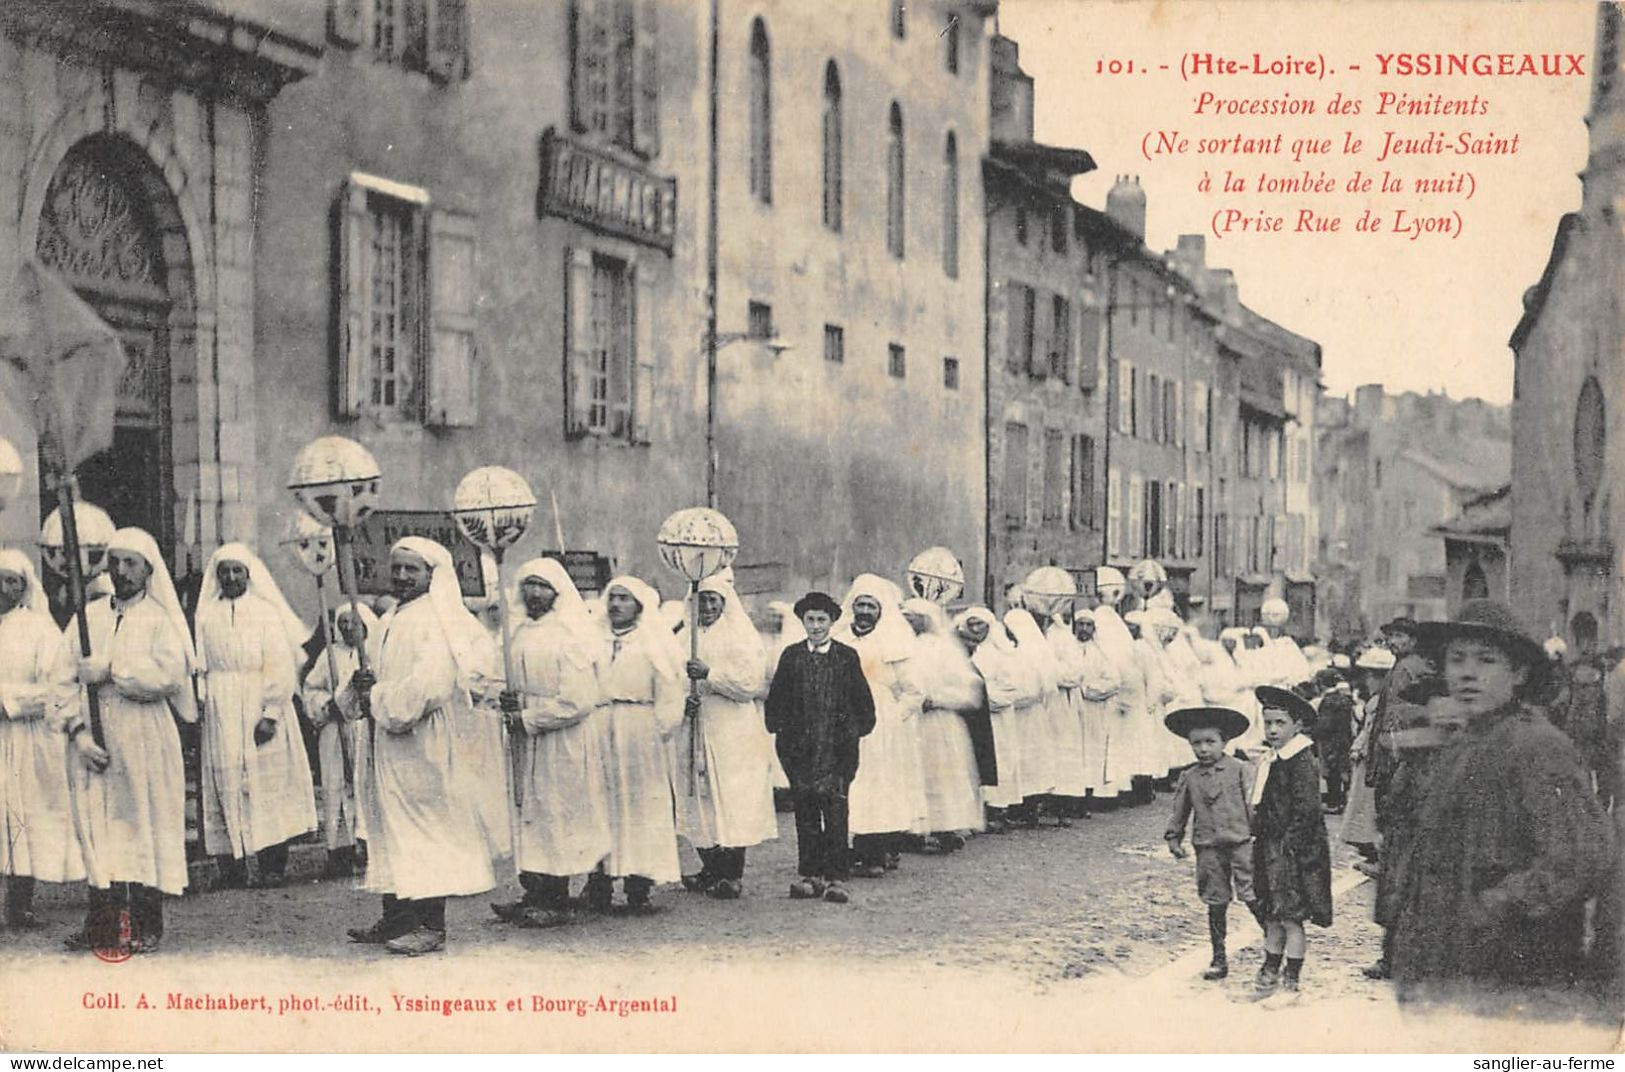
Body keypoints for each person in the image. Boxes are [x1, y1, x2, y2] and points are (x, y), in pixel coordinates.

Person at [1393, 600, 1615, 1003]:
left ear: (1519, 673)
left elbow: (1582, 855)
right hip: (1451, 972)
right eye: (1456, 659)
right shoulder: (1463, 744)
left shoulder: (1537, 746)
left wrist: (1492, 907)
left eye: (1486, 660)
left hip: (1515, 977)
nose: (1467, 672)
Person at [342, 537, 502, 955]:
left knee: (424, 829)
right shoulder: (391, 618)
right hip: (387, 741)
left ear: (433, 575)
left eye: (411, 569)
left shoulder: (440, 622)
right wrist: (356, 692)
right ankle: (395, 917)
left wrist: (378, 698)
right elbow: (365, 672)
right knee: (389, 825)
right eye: (396, 568)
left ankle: (430, 924)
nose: (401, 576)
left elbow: (429, 687)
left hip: (422, 740)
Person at [60, 528, 196, 955]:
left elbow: (167, 676)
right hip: (94, 744)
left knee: (142, 823)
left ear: (148, 569)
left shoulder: (160, 620)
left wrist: (113, 669)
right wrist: (77, 733)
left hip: (143, 737)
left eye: (130, 563)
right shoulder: (89, 617)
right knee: (100, 827)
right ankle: (101, 923)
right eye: (114, 562)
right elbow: (59, 680)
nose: (120, 571)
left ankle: (144, 922)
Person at [487, 558, 611, 928]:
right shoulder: (516, 632)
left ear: (557, 592)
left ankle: (556, 896)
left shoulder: (571, 635)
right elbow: (497, 677)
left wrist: (528, 718)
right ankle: (533, 889)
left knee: (556, 814)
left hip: (561, 740)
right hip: (524, 738)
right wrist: (503, 698)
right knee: (528, 814)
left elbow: (578, 700)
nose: (534, 593)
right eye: (529, 585)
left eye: (542, 586)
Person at [193, 544, 318, 889]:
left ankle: (272, 865)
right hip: (221, 707)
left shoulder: (265, 613)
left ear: (250, 574)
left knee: (268, 782)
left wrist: (272, 712)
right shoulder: (206, 616)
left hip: (259, 701)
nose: (231, 578)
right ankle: (230, 867)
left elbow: (280, 664)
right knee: (224, 781)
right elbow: (200, 665)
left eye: (237, 571)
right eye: (224, 572)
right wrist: (203, 701)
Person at [764, 591, 875, 904]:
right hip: (800, 751)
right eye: (810, 620)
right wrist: (782, 734)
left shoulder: (846, 656)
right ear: (802, 621)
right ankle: (810, 875)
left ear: (832, 622)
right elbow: (776, 702)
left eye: (821, 620)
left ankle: (837, 877)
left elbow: (863, 704)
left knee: (836, 810)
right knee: (806, 811)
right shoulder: (791, 656)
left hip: (837, 750)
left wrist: (852, 733)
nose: (815, 626)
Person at [674, 571, 779, 899]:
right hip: (696, 722)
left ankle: (731, 873)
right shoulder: (684, 636)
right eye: (700, 599)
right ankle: (710, 867)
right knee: (697, 797)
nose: (706, 606)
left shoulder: (740, 635)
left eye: (712, 600)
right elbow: (669, 676)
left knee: (732, 798)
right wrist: (683, 698)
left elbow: (748, 684)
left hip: (732, 726)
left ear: (724, 602)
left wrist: (710, 674)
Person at [584, 576, 685, 913]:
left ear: (639, 604)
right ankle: (598, 881)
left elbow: (670, 688)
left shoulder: (654, 641)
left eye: (624, 599)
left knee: (640, 805)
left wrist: (660, 727)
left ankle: (639, 884)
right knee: (600, 802)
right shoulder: (592, 637)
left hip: (640, 730)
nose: (616, 605)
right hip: (599, 724)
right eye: (612, 598)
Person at [0, 549, 81, 928]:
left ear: (24, 586)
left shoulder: (38, 629)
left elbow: (54, 685)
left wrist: (8, 703)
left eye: (10, 581)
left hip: (22, 735)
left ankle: (20, 903)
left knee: (21, 814)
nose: (2, 589)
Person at [837, 575, 929, 875]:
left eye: (871, 606)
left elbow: (914, 689)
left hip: (881, 725)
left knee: (879, 787)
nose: (864, 612)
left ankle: (878, 849)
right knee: (850, 784)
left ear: (881, 611)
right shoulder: (841, 638)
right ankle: (851, 847)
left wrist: (893, 718)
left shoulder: (894, 641)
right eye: (859, 605)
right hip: (844, 719)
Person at [1164, 705, 1262, 982]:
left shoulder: (1241, 770)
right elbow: (1179, 810)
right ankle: (1219, 957)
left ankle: (1274, 948)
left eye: (1210, 742)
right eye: (1197, 743)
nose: (1204, 749)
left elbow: (1253, 805)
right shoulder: (1190, 776)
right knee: (1215, 901)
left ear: (1225, 742)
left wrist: (1259, 834)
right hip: (1207, 846)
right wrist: (1174, 836)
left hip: (1241, 842)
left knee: (1253, 894)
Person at [1249, 684, 1334, 1004]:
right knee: (1272, 911)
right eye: (1267, 722)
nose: (1271, 729)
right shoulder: (1274, 758)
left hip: (1293, 851)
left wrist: (1290, 846)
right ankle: (1269, 969)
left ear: (1298, 725)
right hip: (1270, 847)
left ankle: (1291, 980)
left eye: (1279, 723)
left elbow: (1307, 810)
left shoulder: (1301, 760)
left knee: (1291, 915)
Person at [901, 597, 990, 847]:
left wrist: (936, 700)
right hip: (908, 721)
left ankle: (944, 826)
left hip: (938, 723)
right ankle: (910, 829)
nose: (908, 621)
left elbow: (969, 692)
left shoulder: (945, 649)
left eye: (913, 616)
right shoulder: (899, 645)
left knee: (941, 774)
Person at [301, 603, 377, 879]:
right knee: (336, 785)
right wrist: (324, 706)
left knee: (364, 784)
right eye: (342, 622)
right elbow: (312, 688)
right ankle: (339, 850)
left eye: (353, 623)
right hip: (334, 728)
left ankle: (368, 846)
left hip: (363, 727)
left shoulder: (374, 652)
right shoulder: (329, 654)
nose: (347, 628)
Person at [1070, 609, 1121, 808]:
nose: (1084, 629)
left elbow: (1113, 681)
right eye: (1080, 624)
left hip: (1094, 711)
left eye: (1088, 625)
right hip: (1071, 711)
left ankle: (1090, 796)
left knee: (1092, 753)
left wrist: (1089, 691)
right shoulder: (1069, 648)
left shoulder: (1101, 652)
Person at [1310, 668, 1355, 813]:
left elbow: (1325, 725)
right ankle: (1343, 799)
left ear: (1321, 685)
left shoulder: (1328, 702)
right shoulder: (1344, 699)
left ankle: (1334, 803)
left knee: (1331, 772)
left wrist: (1313, 730)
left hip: (1329, 742)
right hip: (1344, 740)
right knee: (1343, 769)